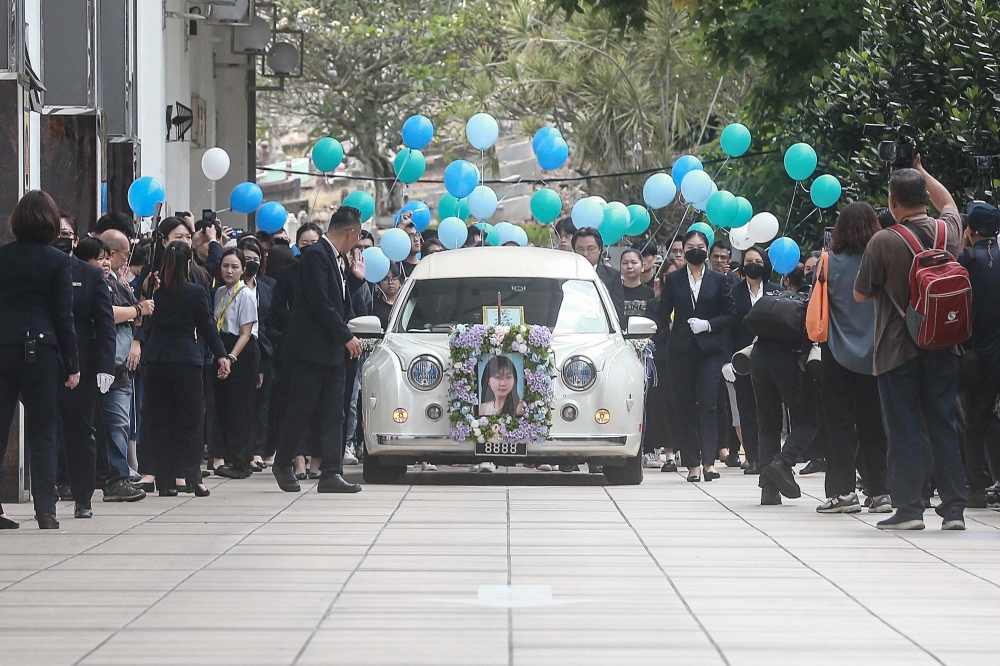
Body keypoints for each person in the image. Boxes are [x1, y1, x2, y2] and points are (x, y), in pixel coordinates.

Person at [854, 156, 968, 530]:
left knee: (902, 429)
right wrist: (922, 170)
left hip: (896, 351)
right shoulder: (947, 232)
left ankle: (910, 509)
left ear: (892, 202)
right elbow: (948, 201)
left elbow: (860, 294)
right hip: (944, 345)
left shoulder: (884, 240)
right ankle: (953, 510)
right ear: (923, 195)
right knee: (943, 424)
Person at [0, 191, 80, 529]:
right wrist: (72, 363)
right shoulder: (58, 261)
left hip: (3, 347)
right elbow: (64, 316)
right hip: (41, 350)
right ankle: (45, 510)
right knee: (44, 430)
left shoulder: (2, 257)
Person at [272, 206, 364, 494]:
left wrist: (354, 281)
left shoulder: (338, 260)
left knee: (334, 412)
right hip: (310, 351)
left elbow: (339, 301)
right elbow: (319, 302)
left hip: (332, 351)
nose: (357, 243)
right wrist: (345, 335)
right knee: (301, 409)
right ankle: (283, 461)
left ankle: (331, 472)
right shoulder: (315, 255)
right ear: (350, 232)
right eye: (357, 236)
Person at [815, 203, 890, 514]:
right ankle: (880, 493)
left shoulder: (828, 261)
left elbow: (817, 304)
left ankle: (844, 492)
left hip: (836, 353)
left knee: (840, 425)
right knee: (875, 425)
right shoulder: (883, 259)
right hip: (877, 354)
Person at [143, 242, 230, 497]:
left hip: (156, 359)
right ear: (189, 264)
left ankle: (165, 481)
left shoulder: (153, 291)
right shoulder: (194, 292)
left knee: (161, 422)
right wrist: (222, 355)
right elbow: (207, 326)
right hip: (185, 360)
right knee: (190, 422)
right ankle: (193, 478)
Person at [652, 230, 736, 482]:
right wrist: (672, 333)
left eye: (699, 246)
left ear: (707, 250)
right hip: (681, 351)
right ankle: (692, 464)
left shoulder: (719, 280)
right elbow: (662, 313)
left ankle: (709, 462)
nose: (695, 251)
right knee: (685, 406)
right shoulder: (675, 279)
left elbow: (730, 315)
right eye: (689, 247)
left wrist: (707, 325)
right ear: (683, 250)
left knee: (709, 404)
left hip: (710, 350)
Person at [54, 235, 116, 520]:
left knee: (81, 431)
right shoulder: (42, 268)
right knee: (46, 432)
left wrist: (106, 365)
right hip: (46, 359)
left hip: (83, 363)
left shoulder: (90, 274)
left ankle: (83, 496)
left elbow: (104, 322)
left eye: (67, 234)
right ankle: (46, 496)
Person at [94, 230, 150, 502]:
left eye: (108, 259)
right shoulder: (95, 283)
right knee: (107, 424)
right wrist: (138, 309)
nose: (106, 263)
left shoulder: (122, 284)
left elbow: (134, 320)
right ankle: (111, 478)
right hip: (99, 362)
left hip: (119, 368)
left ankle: (117, 477)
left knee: (120, 423)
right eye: (101, 258)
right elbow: (107, 313)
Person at [957, 201, 1000, 507]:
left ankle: (976, 487)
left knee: (975, 421)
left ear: (970, 229)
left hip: (977, 357)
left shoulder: (966, 260)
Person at [726, 246, 782, 476]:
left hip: (772, 358)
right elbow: (728, 327)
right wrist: (726, 360)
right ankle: (753, 457)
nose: (753, 264)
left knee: (769, 409)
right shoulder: (732, 292)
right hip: (742, 360)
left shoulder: (776, 291)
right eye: (749, 260)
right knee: (746, 409)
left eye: (758, 260)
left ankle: (771, 456)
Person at [212, 247, 260, 479]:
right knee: (224, 406)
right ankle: (228, 457)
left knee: (241, 407)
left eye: (234, 267)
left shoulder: (246, 294)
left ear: (242, 270)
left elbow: (246, 333)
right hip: (221, 347)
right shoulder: (219, 292)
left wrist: (231, 357)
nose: (229, 271)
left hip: (241, 351)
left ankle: (243, 461)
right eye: (225, 266)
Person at [238, 237, 275, 473]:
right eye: (246, 259)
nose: (251, 263)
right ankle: (241, 450)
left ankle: (258, 451)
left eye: (255, 259)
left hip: (264, 350)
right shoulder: (231, 288)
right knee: (242, 404)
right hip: (238, 350)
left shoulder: (268, 287)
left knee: (262, 405)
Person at [572, 227, 626, 327]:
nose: (585, 254)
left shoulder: (612, 276)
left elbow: (618, 312)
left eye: (590, 249)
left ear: (599, 249)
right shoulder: (566, 274)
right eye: (580, 249)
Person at [620, 248, 654, 321]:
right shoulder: (614, 291)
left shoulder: (650, 293)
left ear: (642, 267)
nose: (629, 266)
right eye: (625, 263)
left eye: (634, 262)